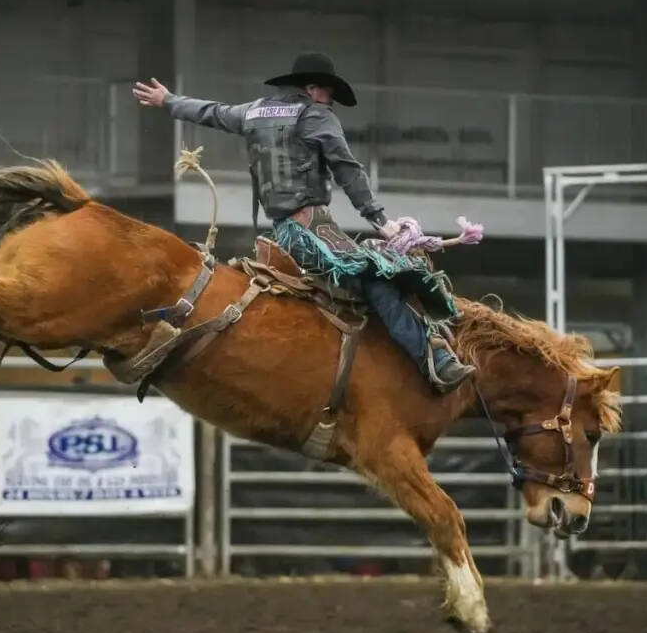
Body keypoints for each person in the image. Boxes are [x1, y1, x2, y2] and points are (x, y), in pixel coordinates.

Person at [133, 52, 476, 393]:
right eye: (329, 95)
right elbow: (347, 168)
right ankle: (436, 362)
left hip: (281, 233)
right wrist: (380, 220)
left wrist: (168, 100)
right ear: (312, 89)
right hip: (311, 232)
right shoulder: (315, 116)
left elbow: (211, 112)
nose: (331, 104)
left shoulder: (253, 111)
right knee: (380, 280)